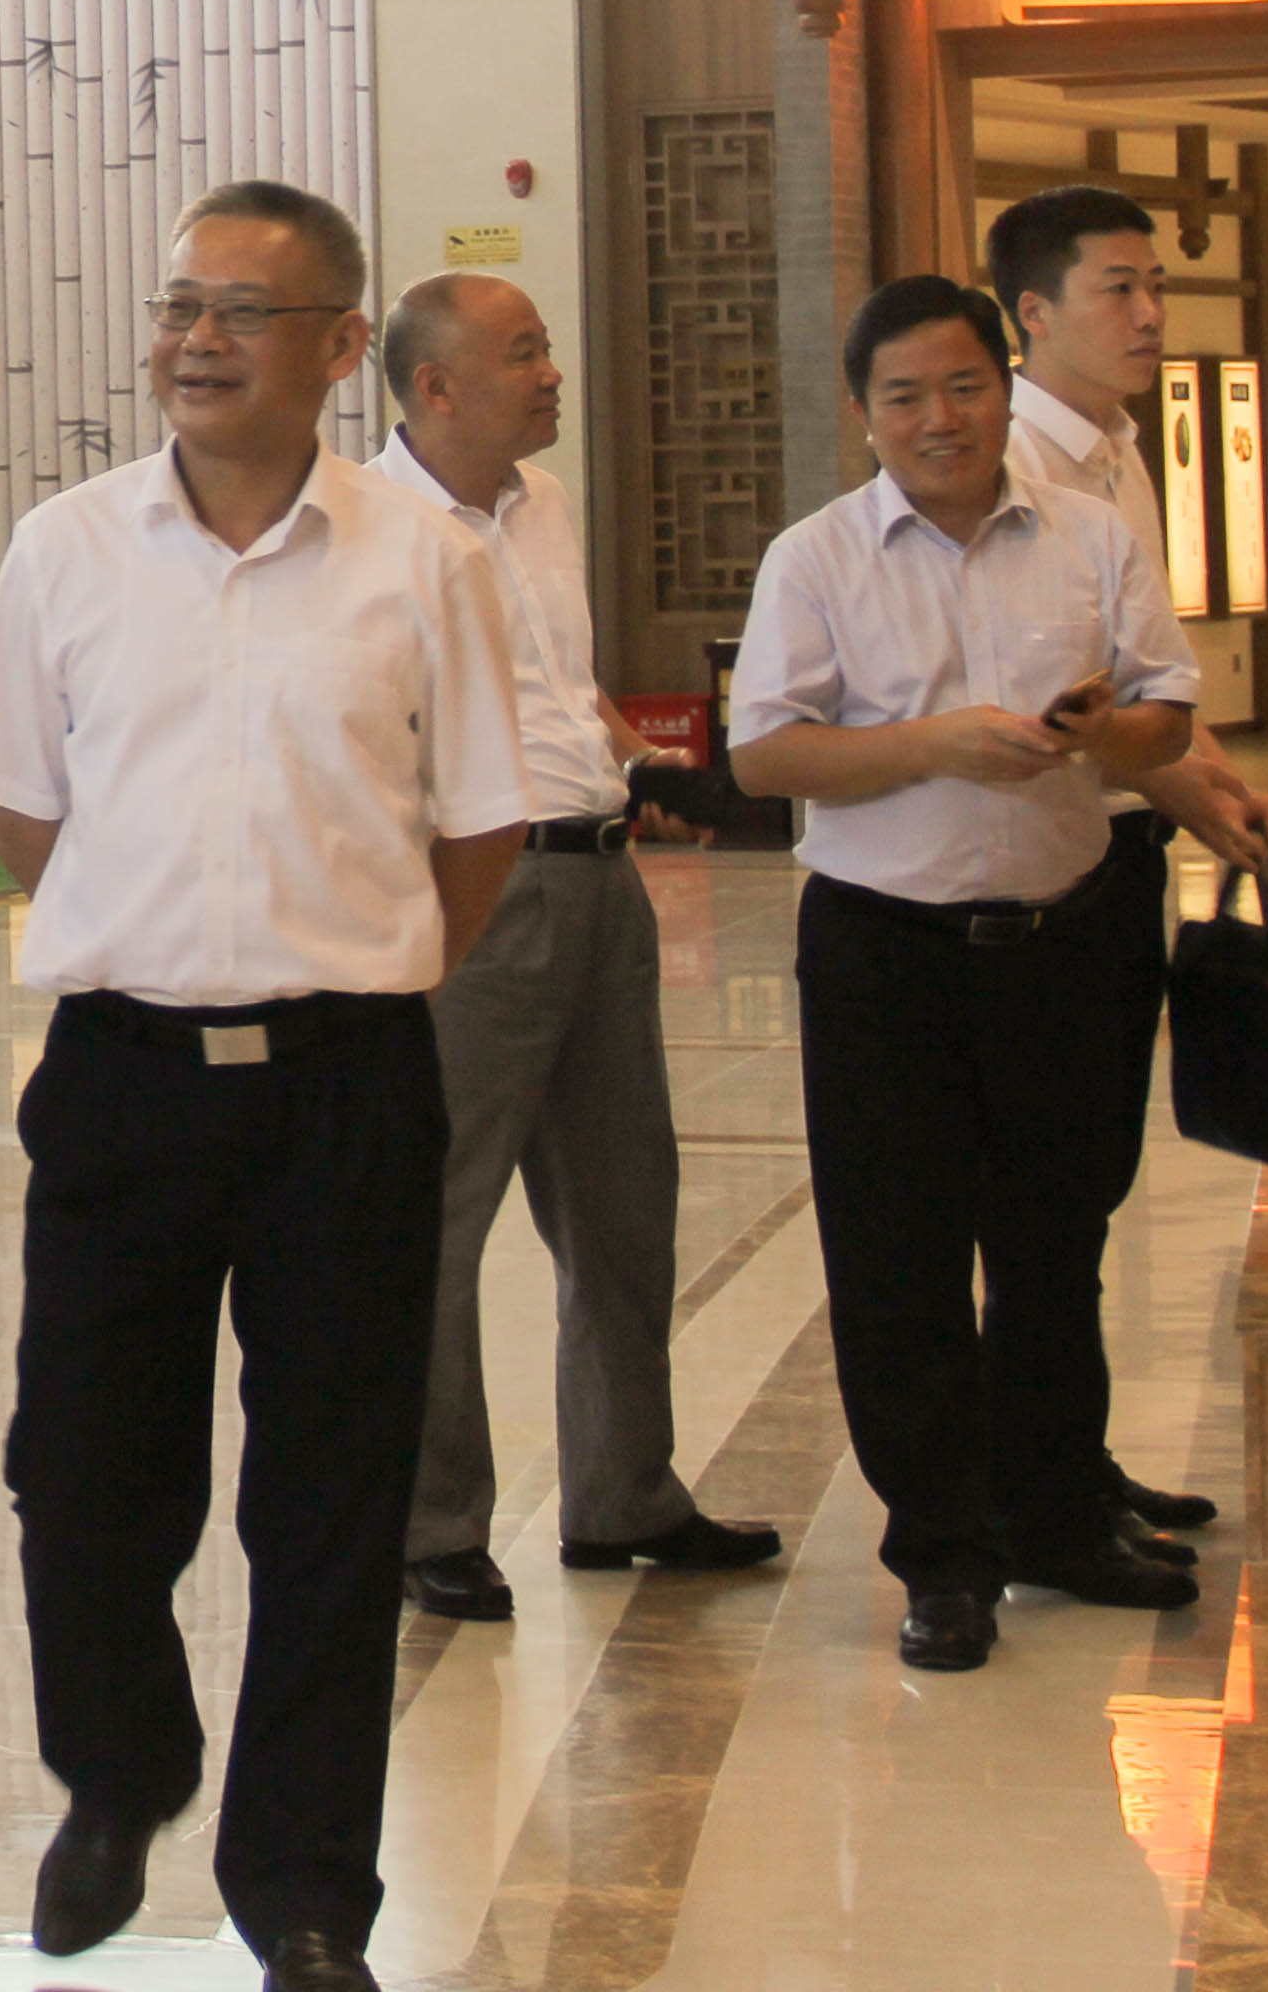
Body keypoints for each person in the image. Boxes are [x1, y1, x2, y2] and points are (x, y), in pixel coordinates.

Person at [0, 179, 528, 1992]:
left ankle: (303, 1890)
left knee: (331, 1498)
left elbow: (479, 829)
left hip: (346, 1086)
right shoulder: (66, 546)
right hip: (120, 1076)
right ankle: (117, 1777)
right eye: (177, 305)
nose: (193, 341)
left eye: (240, 313)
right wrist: (152, 932)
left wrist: (342, 957)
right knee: (79, 1472)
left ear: (340, 346)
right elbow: (16, 801)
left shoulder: (423, 560)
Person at [729, 275, 1203, 1676]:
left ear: (1004, 387)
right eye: (905, 396)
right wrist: (931, 745)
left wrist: (1105, 733)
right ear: (863, 412)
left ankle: (1057, 1519)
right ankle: (941, 1558)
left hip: (1064, 942)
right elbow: (764, 754)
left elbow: (1168, 718)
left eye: (964, 387)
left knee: (1057, 1249)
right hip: (886, 955)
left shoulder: (1092, 537)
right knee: (901, 1265)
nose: (939, 419)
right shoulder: (817, 557)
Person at [366, 280, 777, 1625]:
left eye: (547, 348)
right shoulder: (368, 533)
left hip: (603, 882)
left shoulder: (542, 505)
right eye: (524, 353)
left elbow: (560, 684)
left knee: (624, 1206)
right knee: (438, 1222)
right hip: (476, 895)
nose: (552, 374)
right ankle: (433, 1522)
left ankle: (625, 1494)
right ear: (435, 386)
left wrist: (644, 763)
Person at [982, 183, 1268, 1558]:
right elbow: (1067, 706)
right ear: (1033, 313)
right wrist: (1195, 791)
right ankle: (1036, 1493)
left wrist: (1218, 779)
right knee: (1044, 1199)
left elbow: (1149, 674)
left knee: (1091, 1188)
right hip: (1041, 869)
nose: (1152, 313)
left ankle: (1074, 1464)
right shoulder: (1015, 467)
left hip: (1120, 858)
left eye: (1155, 285)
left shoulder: (1115, 453)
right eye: (1120, 288)